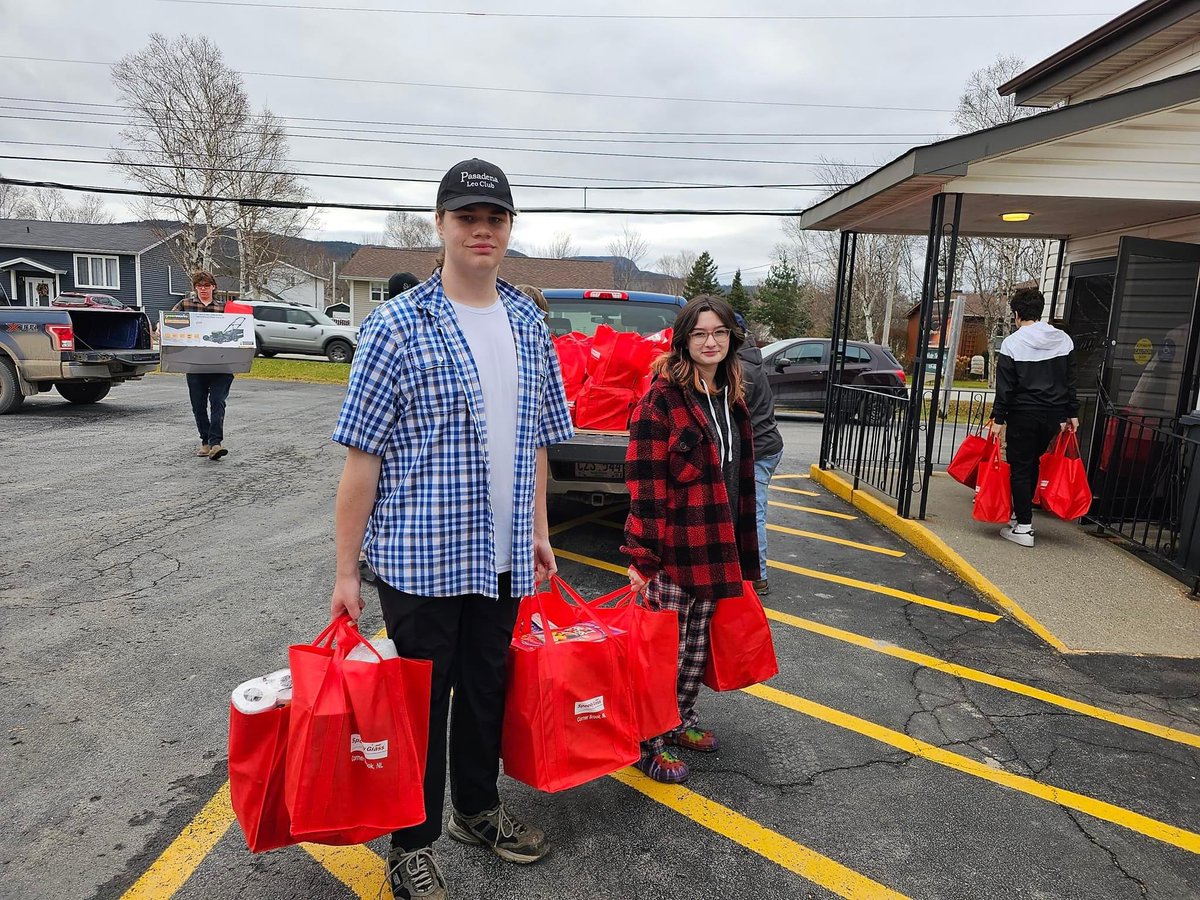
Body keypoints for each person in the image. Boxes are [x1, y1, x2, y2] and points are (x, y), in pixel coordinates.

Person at [329, 158, 574, 900]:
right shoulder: (396, 326)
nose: (481, 230)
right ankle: (410, 846)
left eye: (495, 218)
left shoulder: (528, 324)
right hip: (421, 559)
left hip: (502, 555)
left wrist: (538, 530)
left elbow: (537, 440)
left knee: (487, 690)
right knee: (419, 708)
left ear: (510, 228)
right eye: (467, 217)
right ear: (439, 224)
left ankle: (476, 807)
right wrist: (345, 570)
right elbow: (362, 458)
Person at [622, 294, 759, 784]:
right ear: (683, 340)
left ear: (731, 339)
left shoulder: (731, 397)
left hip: (716, 547)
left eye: (718, 332)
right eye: (699, 333)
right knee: (662, 653)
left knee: (695, 648)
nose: (710, 342)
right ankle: (648, 741)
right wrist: (642, 556)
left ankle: (679, 719)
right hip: (673, 551)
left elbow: (739, 478)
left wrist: (744, 553)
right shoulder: (660, 401)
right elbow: (644, 484)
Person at [989, 286, 1079, 548]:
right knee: (1033, 463)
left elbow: (1005, 388)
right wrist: (1072, 412)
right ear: (1040, 311)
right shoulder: (1063, 340)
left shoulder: (1012, 343)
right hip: (1053, 416)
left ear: (1017, 314)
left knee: (1020, 467)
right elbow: (1070, 380)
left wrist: (998, 419)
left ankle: (1024, 526)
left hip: (1023, 414)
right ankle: (1021, 515)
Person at [733, 312, 784, 595]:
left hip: (759, 451)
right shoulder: (749, 359)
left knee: (753, 513)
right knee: (747, 510)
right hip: (767, 445)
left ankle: (758, 578)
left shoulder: (741, 370)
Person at [172, 271, 232, 461]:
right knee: (198, 406)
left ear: (214, 287)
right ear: (195, 288)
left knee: (217, 402)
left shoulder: (225, 308)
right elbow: (169, 323)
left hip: (221, 365)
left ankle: (216, 443)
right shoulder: (185, 305)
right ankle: (205, 441)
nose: (203, 289)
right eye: (200, 286)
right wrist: (160, 328)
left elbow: (240, 328)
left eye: (207, 285)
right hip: (195, 364)